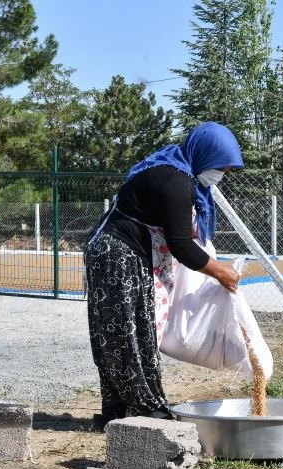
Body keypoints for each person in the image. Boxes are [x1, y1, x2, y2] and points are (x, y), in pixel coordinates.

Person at [84, 121, 243, 429]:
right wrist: (220, 272)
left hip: (119, 251)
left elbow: (182, 233)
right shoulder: (176, 183)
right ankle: (147, 410)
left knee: (125, 332)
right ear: (204, 155)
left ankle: (118, 409)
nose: (221, 175)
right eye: (220, 167)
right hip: (118, 255)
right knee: (129, 333)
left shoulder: (178, 170)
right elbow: (182, 245)